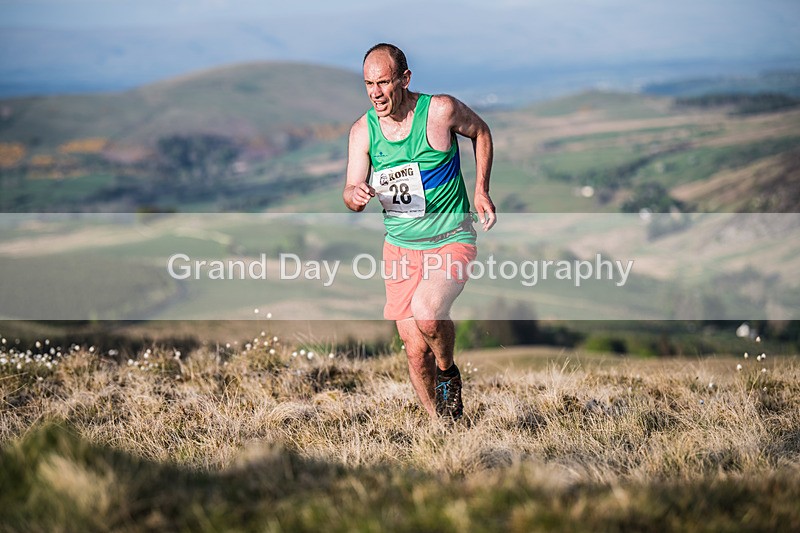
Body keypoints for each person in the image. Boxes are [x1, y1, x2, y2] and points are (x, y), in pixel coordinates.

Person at [343, 43, 496, 420]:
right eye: (368, 84)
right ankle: (441, 426)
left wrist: (480, 190)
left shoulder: (440, 111)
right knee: (414, 349)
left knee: (428, 315)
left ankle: (448, 371)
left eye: (383, 82)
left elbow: (481, 132)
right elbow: (349, 189)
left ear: (405, 79)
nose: (375, 92)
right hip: (400, 249)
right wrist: (354, 195)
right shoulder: (363, 131)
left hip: (451, 238)